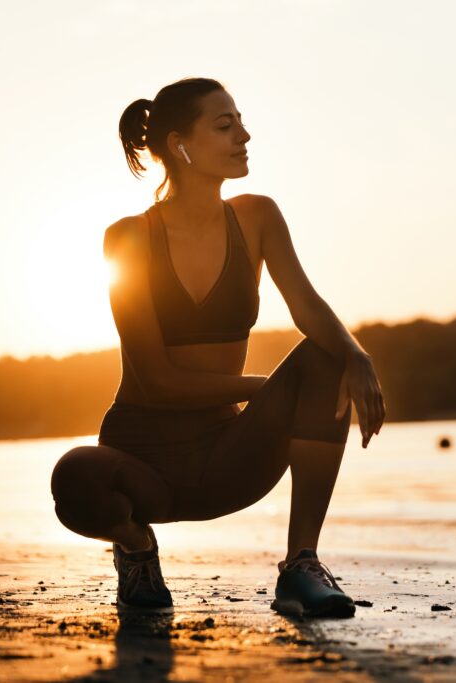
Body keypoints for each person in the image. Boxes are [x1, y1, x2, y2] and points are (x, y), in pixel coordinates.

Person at [49, 77, 386, 618]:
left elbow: (307, 306)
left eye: (241, 122)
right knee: (75, 477)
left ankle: (301, 565)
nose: (244, 136)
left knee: (327, 354)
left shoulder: (258, 217)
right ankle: (136, 548)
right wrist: (276, 390)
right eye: (225, 125)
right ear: (181, 145)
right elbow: (157, 379)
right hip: (144, 463)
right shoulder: (129, 239)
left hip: (229, 457)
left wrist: (355, 354)